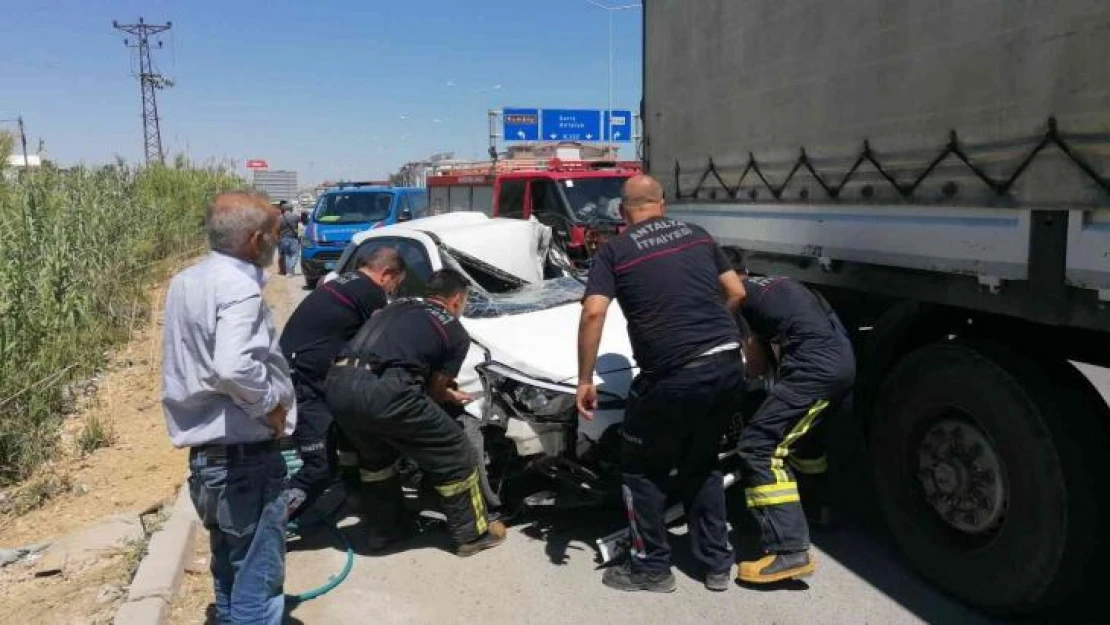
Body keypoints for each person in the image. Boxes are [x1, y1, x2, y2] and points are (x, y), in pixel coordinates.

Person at [576, 175, 747, 593]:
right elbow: (737, 291)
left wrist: (584, 378)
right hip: (726, 366)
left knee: (641, 469)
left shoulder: (616, 250)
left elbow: (594, 314)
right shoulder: (698, 235)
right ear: (662, 203)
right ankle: (717, 565)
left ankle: (652, 567)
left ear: (622, 211)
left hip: (671, 376)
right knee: (702, 461)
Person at [161, 191, 296, 624]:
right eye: (276, 234)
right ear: (256, 240)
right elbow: (234, 367)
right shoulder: (240, 289)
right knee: (258, 578)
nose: (280, 241)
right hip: (244, 462)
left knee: (230, 569)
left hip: (208, 462)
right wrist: (272, 406)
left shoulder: (188, 281)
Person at [324, 269, 506, 556]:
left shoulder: (397, 305)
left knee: (377, 460)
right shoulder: (454, 331)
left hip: (337, 384)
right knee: (456, 452)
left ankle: (384, 531)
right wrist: (452, 395)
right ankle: (471, 534)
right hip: (386, 392)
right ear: (456, 300)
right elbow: (435, 391)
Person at [722, 247, 855, 584]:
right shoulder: (780, 283)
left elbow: (754, 366)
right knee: (805, 440)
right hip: (841, 364)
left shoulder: (742, 301)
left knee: (759, 446)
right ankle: (818, 508)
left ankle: (789, 550)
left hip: (813, 373)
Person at [278, 247, 407, 521]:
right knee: (320, 466)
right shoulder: (371, 292)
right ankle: (269, 527)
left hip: (299, 374)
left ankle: (354, 496)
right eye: (397, 284)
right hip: (303, 383)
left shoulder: (345, 282)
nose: (394, 290)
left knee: (343, 435)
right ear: (386, 274)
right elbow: (380, 344)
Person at [277, 201, 301, 276]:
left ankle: (288, 272)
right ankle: (290, 269)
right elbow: (303, 220)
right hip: (293, 238)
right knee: (295, 254)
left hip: (283, 239)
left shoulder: (279, 218)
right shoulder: (295, 217)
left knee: (287, 255)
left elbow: (277, 229)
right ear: (291, 209)